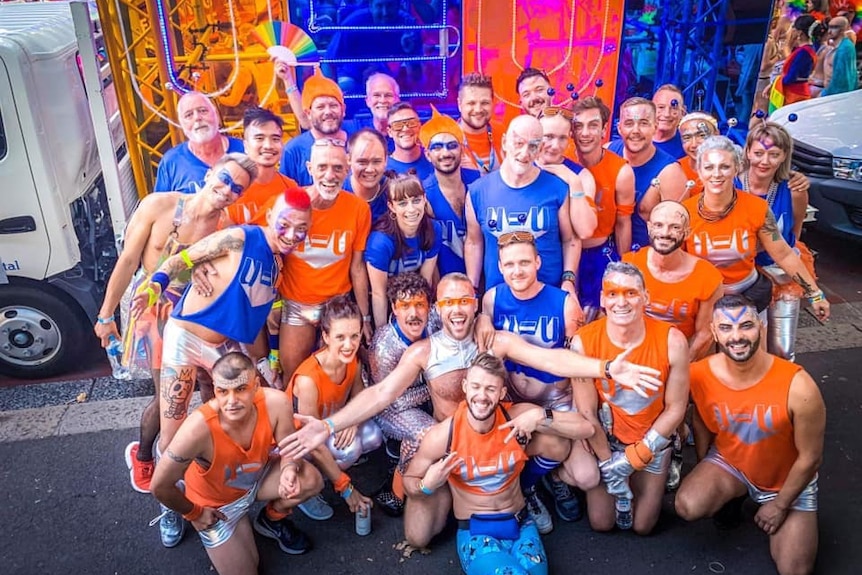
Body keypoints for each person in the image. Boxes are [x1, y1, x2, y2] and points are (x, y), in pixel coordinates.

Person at [279, 272, 664, 546]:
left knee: (555, 443)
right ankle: (462, 498)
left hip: (502, 437)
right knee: (419, 535)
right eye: (449, 302)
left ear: (475, 302)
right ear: (439, 309)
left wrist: (608, 367)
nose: (458, 309)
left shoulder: (494, 339)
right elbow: (380, 394)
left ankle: (524, 490)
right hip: (455, 448)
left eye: (466, 301)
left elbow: (552, 360)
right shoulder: (423, 351)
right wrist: (328, 425)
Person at [131, 187, 312, 547]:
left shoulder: (279, 264)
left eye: (301, 229)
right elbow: (183, 258)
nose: (292, 234)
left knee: (242, 417)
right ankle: (173, 505)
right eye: (286, 224)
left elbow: (254, 320)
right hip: (185, 339)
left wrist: (264, 362)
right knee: (172, 435)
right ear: (272, 215)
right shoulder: (243, 235)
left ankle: (233, 492)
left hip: (226, 349)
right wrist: (156, 286)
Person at [95, 154, 251, 494]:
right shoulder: (159, 205)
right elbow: (127, 262)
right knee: (167, 397)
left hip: (197, 310)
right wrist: (105, 315)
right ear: (210, 173)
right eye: (225, 179)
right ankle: (146, 455)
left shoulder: (226, 228)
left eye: (237, 188)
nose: (227, 190)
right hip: (152, 311)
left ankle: (208, 460)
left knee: (213, 387)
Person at [403, 352, 595, 575]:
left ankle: (530, 489)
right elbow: (410, 479)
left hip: (521, 525)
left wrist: (541, 416)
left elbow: (587, 428)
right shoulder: (443, 436)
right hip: (477, 532)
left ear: (502, 392)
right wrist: (427, 484)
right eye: (476, 386)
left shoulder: (515, 417)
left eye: (491, 389)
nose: (482, 396)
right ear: (465, 387)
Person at [676, 294, 825, 575]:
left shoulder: (799, 385)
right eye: (726, 328)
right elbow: (699, 419)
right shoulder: (697, 374)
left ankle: (773, 505)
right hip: (733, 464)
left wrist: (780, 505)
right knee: (688, 505)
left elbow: (811, 458)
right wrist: (703, 464)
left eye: (746, 326)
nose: (737, 336)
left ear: (760, 326)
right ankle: (733, 496)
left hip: (787, 481)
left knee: (795, 570)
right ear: (714, 333)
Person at [150, 353, 323, 571]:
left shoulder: (276, 402)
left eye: (240, 389)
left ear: (255, 385)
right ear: (215, 389)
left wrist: (289, 467)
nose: (231, 401)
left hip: (256, 480)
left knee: (310, 479)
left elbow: (289, 446)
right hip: (217, 507)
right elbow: (159, 486)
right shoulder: (197, 429)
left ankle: (271, 519)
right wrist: (194, 513)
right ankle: (219, 516)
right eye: (223, 391)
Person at [482, 231, 593, 530]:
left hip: (557, 398)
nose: (517, 271)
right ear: (500, 267)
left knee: (587, 476)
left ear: (538, 262)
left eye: (524, 262)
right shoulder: (491, 300)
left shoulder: (564, 303)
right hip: (515, 399)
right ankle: (527, 487)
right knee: (543, 443)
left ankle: (549, 475)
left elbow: (575, 362)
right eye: (510, 264)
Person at [571, 262, 690, 535]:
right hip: (607, 440)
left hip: (652, 439)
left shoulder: (672, 340)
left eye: (631, 293)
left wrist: (635, 458)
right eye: (612, 293)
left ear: (646, 297)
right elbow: (587, 413)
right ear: (602, 299)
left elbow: (676, 408)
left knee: (642, 526)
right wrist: (608, 464)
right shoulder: (583, 342)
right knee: (602, 523)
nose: (621, 302)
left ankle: (670, 455)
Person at [683, 136, 830, 325]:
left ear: (736, 169)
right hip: (703, 300)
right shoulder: (685, 212)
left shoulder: (757, 208)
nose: (717, 174)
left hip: (748, 297)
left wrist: (815, 294)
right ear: (699, 172)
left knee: (754, 352)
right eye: (709, 167)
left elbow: (783, 254)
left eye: (725, 167)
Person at [277, 140, 372, 381]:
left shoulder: (358, 209)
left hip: (338, 306)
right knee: (294, 377)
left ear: (348, 168)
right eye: (322, 167)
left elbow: (357, 267)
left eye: (338, 167)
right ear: (310, 168)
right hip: (297, 306)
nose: (330, 175)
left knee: (339, 378)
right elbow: (262, 245)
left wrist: (364, 317)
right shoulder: (289, 203)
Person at [286, 296, 380, 521]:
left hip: (329, 423)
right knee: (346, 450)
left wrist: (354, 422)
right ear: (326, 336)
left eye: (354, 336)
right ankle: (308, 483)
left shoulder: (352, 360)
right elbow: (311, 439)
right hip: (300, 441)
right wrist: (346, 488)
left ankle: (328, 470)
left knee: (373, 435)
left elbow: (358, 394)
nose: (349, 345)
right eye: (340, 337)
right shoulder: (309, 380)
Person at [465, 115, 580, 297]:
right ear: (504, 142)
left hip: (550, 297)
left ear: (540, 148)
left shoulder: (557, 187)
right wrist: (472, 287)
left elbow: (570, 239)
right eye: (518, 143)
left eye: (533, 146)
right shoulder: (478, 191)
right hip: (497, 301)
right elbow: (474, 242)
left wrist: (568, 279)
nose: (525, 153)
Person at [740, 122, 815, 361]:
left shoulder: (794, 190)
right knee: (746, 346)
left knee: (782, 349)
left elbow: (795, 232)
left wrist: (815, 293)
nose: (765, 161)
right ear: (748, 151)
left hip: (780, 271)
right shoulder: (731, 184)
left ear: (784, 156)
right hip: (742, 275)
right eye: (759, 153)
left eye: (773, 154)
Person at [367, 272, 439, 516]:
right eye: (405, 305)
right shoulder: (384, 346)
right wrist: (434, 387)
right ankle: (398, 490)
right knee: (426, 434)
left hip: (424, 397)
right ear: (394, 309)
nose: (413, 313)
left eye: (420, 304)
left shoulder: (435, 321)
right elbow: (388, 399)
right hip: (392, 408)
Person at [572, 97, 636, 321]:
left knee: (599, 318)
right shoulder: (562, 164)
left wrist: (624, 266)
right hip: (564, 253)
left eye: (593, 125)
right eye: (578, 126)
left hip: (598, 253)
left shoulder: (621, 171)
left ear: (604, 129)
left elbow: (623, 222)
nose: (585, 133)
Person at [608, 97, 689, 251]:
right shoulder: (608, 152)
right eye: (629, 123)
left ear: (655, 127)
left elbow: (678, 236)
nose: (636, 131)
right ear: (619, 128)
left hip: (648, 263)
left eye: (643, 123)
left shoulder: (670, 173)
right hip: (607, 255)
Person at [366, 172, 442, 327]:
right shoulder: (380, 242)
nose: (411, 209)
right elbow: (379, 294)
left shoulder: (433, 229)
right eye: (402, 203)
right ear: (391, 207)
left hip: (414, 301)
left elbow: (425, 281)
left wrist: (423, 323)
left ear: (424, 199)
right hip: (387, 304)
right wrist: (382, 333)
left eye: (416, 200)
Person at [420, 105, 480, 276]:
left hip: (483, 280)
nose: (445, 153)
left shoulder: (479, 183)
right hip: (447, 288)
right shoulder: (423, 195)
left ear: (462, 149)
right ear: (427, 154)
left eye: (452, 145)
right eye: (437, 147)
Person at [155, 92, 244, 194]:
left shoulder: (245, 150)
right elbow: (160, 208)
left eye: (203, 111)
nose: (197, 118)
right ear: (181, 124)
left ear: (217, 115)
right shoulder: (171, 161)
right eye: (189, 115)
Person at [325, 0, 422, 94]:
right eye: (379, 6)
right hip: (351, 77)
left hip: (388, 77)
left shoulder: (408, 24)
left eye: (390, 5)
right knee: (348, 87)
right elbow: (328, 62)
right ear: (371, 6)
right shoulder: (353, 23)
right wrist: (332, 94)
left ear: (398, 6)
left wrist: (410, 53)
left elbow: (415, 78)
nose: (385, 13)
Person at [225, 107, 298, 225]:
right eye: (260, 138)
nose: (268, 145)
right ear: (246, 146)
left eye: (275, 139)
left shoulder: (290, 188)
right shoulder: (229, 188)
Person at [536, 106, 599, 241]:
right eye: (548, 136)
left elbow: (585, 231)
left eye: (562, 138)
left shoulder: (581, 176)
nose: (555, 146)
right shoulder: (521, 166)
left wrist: (573, 182)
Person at [279, 69, 347, 186]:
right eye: (320, 107)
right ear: (308, 113)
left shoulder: (357, 143)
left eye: (333, 105)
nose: (328, 112)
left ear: (343, 110)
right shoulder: (293, 150)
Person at [770, 15, 824, 108]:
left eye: (793, 27)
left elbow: (791, 77)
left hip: (794, 95)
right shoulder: (809, 49)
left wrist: (776, 81)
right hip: (799, 91)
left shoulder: (803, 52)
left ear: (799, 33)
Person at [456, 72, 503, 176]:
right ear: (459, 104)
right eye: (471, 103)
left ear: (492, 103)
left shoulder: (505, 135)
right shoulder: (448, 140)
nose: (478, 110)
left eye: (484, 103)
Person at [344, 128, 391, 223]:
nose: (370, 169)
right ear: (348, 159)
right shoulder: (336, 193)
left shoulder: (394, 193)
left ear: (386, 160)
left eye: (376, 162)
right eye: (362, 162)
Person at [343, 72, 401, 144]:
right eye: (376, 95)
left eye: (388, 95)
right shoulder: (353, 130)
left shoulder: (405, 132)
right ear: (368, 101)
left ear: (397, 100)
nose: (382, 100)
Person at [386, 102, 434, 180]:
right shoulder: (382, 169)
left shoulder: (435, 161)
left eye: (411, 123)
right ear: (390, 132)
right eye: (397, 125)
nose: (405, 129)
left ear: (420, 126)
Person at [678, 112, 720, 197]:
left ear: (716, 135)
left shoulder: (730, 167)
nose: (694, 144)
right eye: (687, 138)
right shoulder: (676, 169)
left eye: (702, 135)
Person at [821, 16, 859, 96]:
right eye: (829, 27)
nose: (829, 31)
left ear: (842, 29)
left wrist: (826, 95)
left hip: (836, 96)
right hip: (830, 92)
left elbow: (842, 80)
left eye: (834, 27)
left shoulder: (845, 49)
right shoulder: (836, 46)